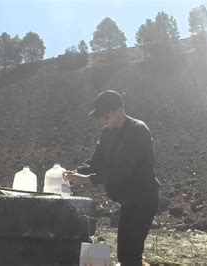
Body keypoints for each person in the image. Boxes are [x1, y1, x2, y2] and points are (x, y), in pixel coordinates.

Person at [63, 90, 160, 266]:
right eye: (101, 118)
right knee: (124, 252)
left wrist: (88, 179)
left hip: (143, 199)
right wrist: (76, 172)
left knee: (130, 252)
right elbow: (96, 161)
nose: (103, 121)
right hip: (127, 201)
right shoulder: (107, 133)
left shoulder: (138, 130)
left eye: (106, 116)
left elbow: (122, 169)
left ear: (121, 109)